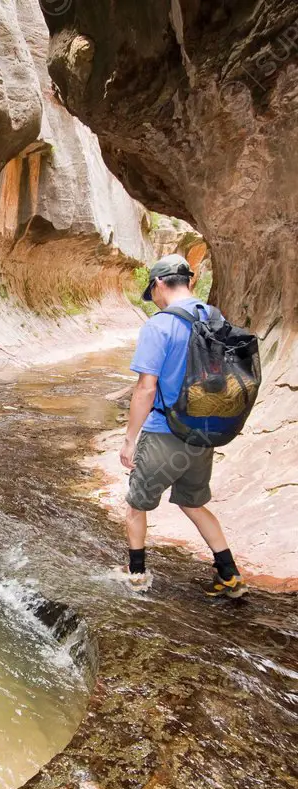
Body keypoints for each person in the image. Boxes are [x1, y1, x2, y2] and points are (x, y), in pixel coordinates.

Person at [120, 254, 248, 598]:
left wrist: (130, 439)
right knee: (192, 502)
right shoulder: (215, 317)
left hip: (165, 432)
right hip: (203, 432)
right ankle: (229, 575)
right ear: (189, 281)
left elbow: (146, 388)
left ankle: (136, 574)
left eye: (153, 292)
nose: (155, 300)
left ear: (159, 284)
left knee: (136, 505)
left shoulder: (159, 325)